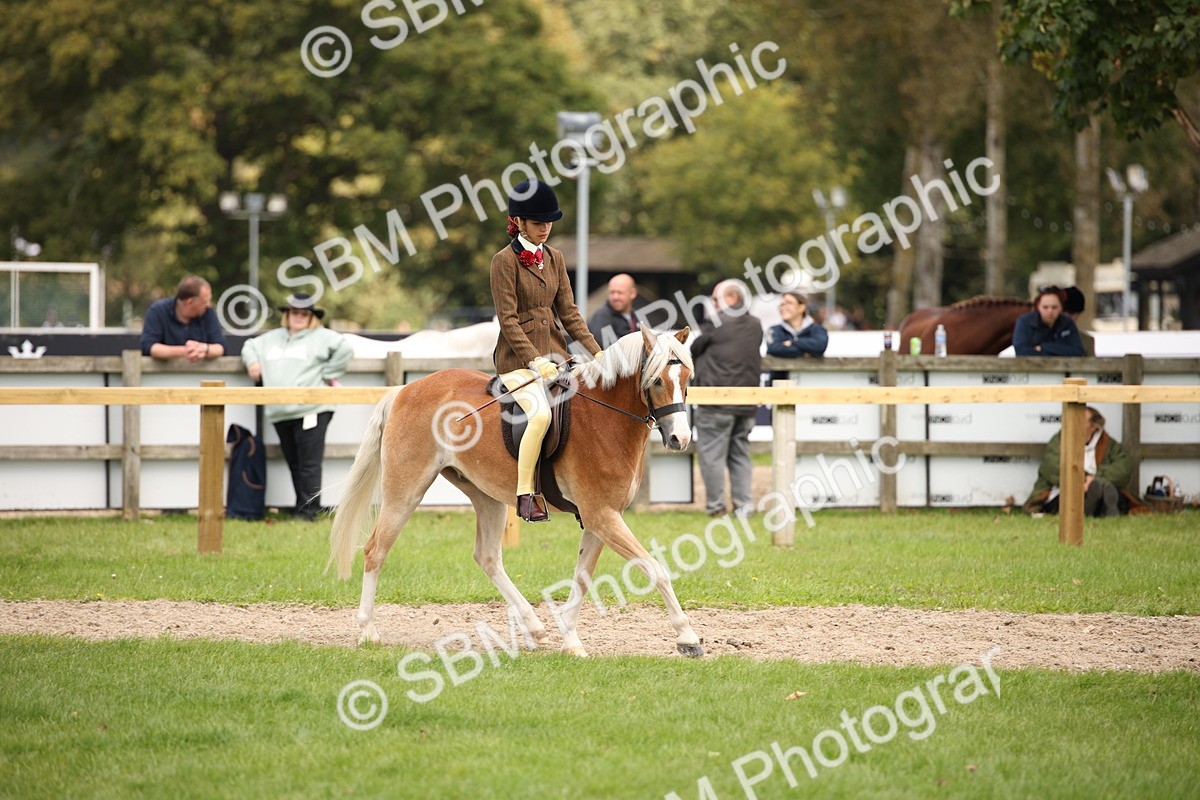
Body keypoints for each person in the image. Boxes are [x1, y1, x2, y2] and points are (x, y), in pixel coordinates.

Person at [491, 179, 602, 522]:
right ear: (519, 222)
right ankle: (526, 494)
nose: (545, 229)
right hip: (517, 362)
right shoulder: (503, 262)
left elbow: (568, 312)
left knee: (590, 410)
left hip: (558, 357)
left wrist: (598, 354)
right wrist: (534, 359)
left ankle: (586, 491)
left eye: (549, 222)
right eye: (538, 223)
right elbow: (508, 320)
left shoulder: (555, 258)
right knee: (540, 415)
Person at [241, 294, 353, 521]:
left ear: (311, 317)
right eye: (294, 312)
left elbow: (345, 349)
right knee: (294, 462)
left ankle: (309, 513)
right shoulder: (272, 338)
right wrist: (252, 362)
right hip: (280, 410)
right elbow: (249, 345)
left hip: (312, 408)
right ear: (287, 315)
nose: (299, 317)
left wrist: (329, 374)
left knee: (309, 465)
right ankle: (301, 508)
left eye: (304, 313)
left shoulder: (323, 337)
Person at [691, 280, 763, 517]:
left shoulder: (716, 323)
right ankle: (744, 507)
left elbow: (694, 349)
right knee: (740, 455)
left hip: (715, 402)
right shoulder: (756, 325)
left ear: (731, 298)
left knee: (711, 457)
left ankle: (716, 507)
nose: (713, 306)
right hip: (746, 404)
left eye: (715, 300)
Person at [1022, 406, 1148, 517]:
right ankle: (1094, 505)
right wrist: (1082, 480)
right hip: (1065, 491)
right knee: (1072, 498)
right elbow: (1051, 466)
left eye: (1079, 422)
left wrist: (1095, 479)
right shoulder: (1059, 441)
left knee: (1110, 492)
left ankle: (1102, 505)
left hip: (1099, 485)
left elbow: (1124, 466)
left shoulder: (1108, 444)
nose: (1073, 426)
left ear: (1094, 427)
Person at [141, 275, 226, 361]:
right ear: (190, 302)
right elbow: (150, 347)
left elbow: (220, 347)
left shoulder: (208, 312)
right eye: (205, 301)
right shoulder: (157, 311)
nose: (209, 304)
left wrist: (204, 349)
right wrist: (185, 351)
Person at [1013, 286, 1085, 356]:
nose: (1050, 311)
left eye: (1054, 307)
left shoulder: (1068, 324)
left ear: (1061, 308)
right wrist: (1061, 351)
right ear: (1038, 307)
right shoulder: (1025, 322)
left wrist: (1044, 347)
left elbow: (1078, 351)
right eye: (1045, 307)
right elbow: (1021, 352)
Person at [766, 292, 828, 359]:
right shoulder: (774, 330)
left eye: (789, 303)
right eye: (781, 305)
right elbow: (773, 349)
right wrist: (807, 352)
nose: (783, 308)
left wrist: (793, 342)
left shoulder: (817, 329)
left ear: (802, 308)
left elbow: (820, 346)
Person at [588, 273, 639, 347]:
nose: (615, 297)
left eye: (620, 292)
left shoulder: (635, 315)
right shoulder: (602, 316)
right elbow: (608, 347)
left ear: (633, 293)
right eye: (612, 292)